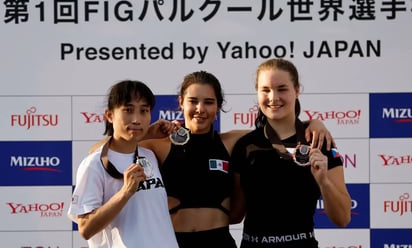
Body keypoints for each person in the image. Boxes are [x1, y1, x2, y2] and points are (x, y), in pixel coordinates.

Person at [137, 70, 335, 248]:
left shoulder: (232, 141)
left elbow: (279, 129)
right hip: (172, 241)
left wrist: (313, 123)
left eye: (208, 102)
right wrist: (146, 133)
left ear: (218, 106)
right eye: (193, 101)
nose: (200, 109)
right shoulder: (158, 145)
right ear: (181, 102)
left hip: (220, 243)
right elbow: (111, 148)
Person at [230, 58, 352, 248]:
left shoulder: (319, 142)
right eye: (265, 90)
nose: (273, 97)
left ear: (297, 90)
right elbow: (235, 214)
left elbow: (343, 218)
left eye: (282, 89)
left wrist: (324, 182)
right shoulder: (245, 145)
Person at [67, 80, 179, 248]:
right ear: (110, 115)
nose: (136, 119)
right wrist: (125, 192)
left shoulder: (150, 155)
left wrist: (149, 133)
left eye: (144, 111)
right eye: (128, 110)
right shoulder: (93, 165)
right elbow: (85, 228)